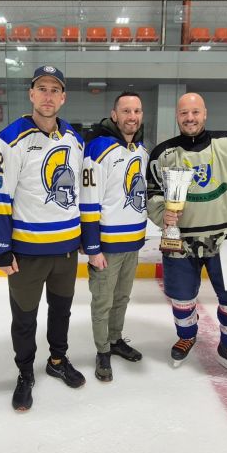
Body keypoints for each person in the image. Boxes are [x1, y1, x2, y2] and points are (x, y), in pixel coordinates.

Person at [0, 65, 86, 411]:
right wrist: (1, 249)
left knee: (61, 312)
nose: (48, 96)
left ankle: (57, 360)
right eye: (42, 88)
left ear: (63, 98)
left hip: (66, 251)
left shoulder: (74, 139)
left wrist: (84, 238)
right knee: (25, 318)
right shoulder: (9, 140)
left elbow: (79, 193)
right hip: (27, 253)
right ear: (31, 94)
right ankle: (25, 372)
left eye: (54, 90)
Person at [146, 92, 227, 383]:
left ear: (205, 113)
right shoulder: (162, 153)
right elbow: (152, 194)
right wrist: (162, 214)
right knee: (181, 296)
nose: (190, 118)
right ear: (177, 116)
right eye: (184, 113)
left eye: (195, 112)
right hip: (179, 239)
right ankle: (187, 335)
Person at [80, 92, 148, 382]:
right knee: (103, 302)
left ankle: (116, 339)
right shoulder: (98, 149)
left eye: (137, 111)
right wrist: (92, 246)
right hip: (106, 246)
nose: (132, 116)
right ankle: (103, 350)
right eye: (126, 111)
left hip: (132, 243)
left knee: (122, 298)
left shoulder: (141, 150)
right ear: (114, 114)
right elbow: (88, 200)